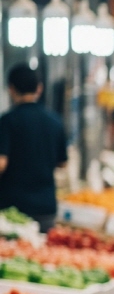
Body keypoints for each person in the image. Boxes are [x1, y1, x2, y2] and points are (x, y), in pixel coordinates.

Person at [0, 64, 68, 232]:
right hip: (46, 206)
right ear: (39, 88)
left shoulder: (7, 121)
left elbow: (1, 163)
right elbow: (63, 163)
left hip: (13, 208)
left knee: (14, 247)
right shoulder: (55, 121)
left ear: (11, 89)